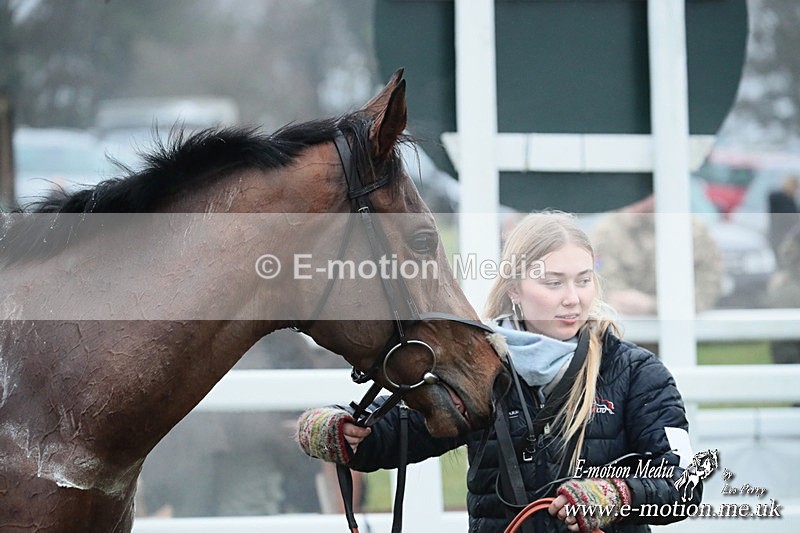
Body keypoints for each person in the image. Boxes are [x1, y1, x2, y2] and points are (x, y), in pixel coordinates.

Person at [295, 211, 701, 533]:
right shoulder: (477, 366)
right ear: (515, 289)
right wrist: (337, 429)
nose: (572, 299)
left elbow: (683, 485)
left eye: (583, 280)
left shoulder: (638, 373)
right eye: (553, 282)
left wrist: (613, 496)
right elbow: (396, 433)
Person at [590, 195, 723, 317]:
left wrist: (654, 305)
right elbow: (600, 284)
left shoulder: (693, 232)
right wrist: (624, 301)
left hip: (679, 330)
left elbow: (708, 287)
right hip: (623, 330)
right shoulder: (609, 231)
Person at [767, 175, 799, 257]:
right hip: (780, 234)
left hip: (788, 234)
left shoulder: (791, 200)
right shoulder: (776, 197)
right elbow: (788, 214)